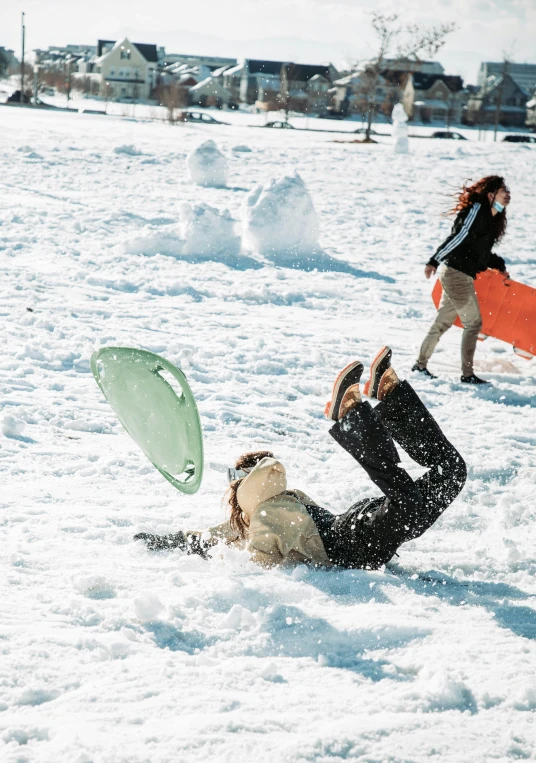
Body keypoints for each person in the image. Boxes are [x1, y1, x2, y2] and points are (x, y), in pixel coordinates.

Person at [135, 347, 467, 570]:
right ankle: (391, 395)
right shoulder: (267, 511)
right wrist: (168, 541)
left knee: (423, 494)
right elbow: (210, 537)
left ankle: (351, 414)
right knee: (453, 471)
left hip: (356, 540)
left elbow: (257, 567)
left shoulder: (266, 513)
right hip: (362, 524)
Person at [413, 175, 511, 384]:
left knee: (442, 322)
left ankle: (419, 366)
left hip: (461, 274)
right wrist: (434, 260)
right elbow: (459, 237)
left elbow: (481, 254)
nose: (508, 194)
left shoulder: (490, 218)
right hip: (456, 274)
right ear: (491, 194)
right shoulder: (476, 210)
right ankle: (467, 375)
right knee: (473, 323)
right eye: (504, 190)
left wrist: (499, 265)